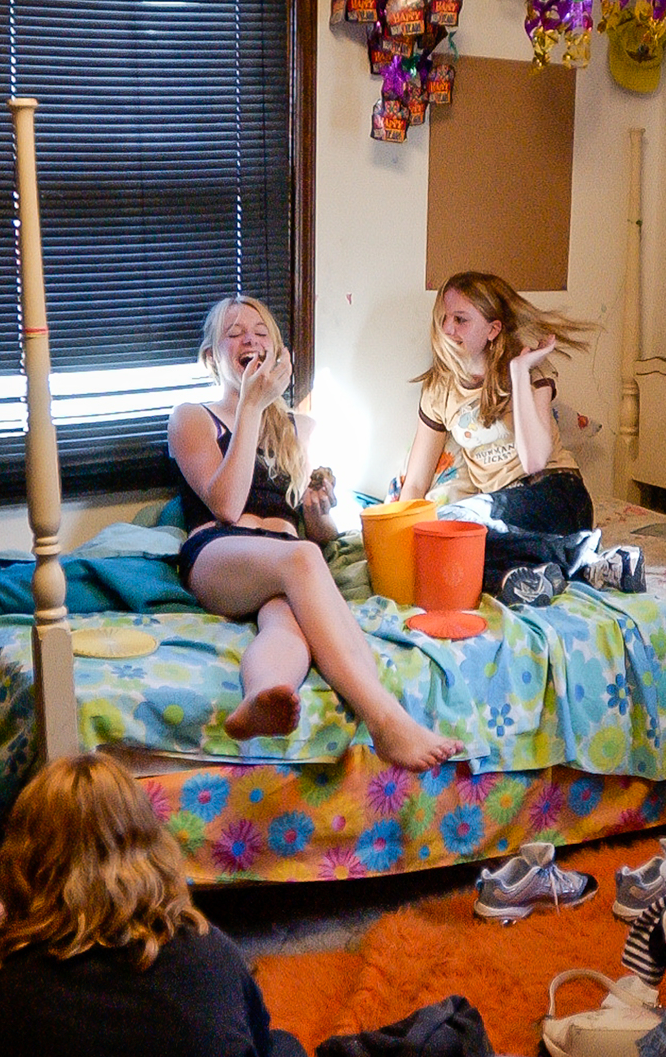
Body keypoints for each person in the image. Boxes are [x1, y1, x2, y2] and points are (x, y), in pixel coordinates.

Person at [169, 296, 462, 771]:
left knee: (288, 626)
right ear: (211, 358)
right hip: (220, 554)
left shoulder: (300, 427)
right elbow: (225, 505)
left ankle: (265, 697)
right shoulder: (191, 417)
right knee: (302, 559)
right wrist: (250, 405)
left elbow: (319, 535)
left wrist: (318, 509)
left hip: (285, 558)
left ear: (279, 352)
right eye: (235, 333)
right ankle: (387, 722)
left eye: (261, 332)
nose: (250, 340)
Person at [0, 753, 310, 1057]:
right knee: (285, 1051)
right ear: (152, 848)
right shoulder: (212, 953)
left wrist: (11, 923)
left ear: (19, 862)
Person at [400, 272, 643, 605]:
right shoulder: (439, 390)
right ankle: (581, 567)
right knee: (437, 546)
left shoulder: (531, 372)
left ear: (493, 329)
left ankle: (573, 553)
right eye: (443, 319)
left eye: (461, 320)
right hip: (507, 517)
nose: (448, 329)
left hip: (557, 496)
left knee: (455, 522)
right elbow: (415, 483)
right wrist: (398, 535)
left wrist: (518, 372)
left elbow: (534, 461)